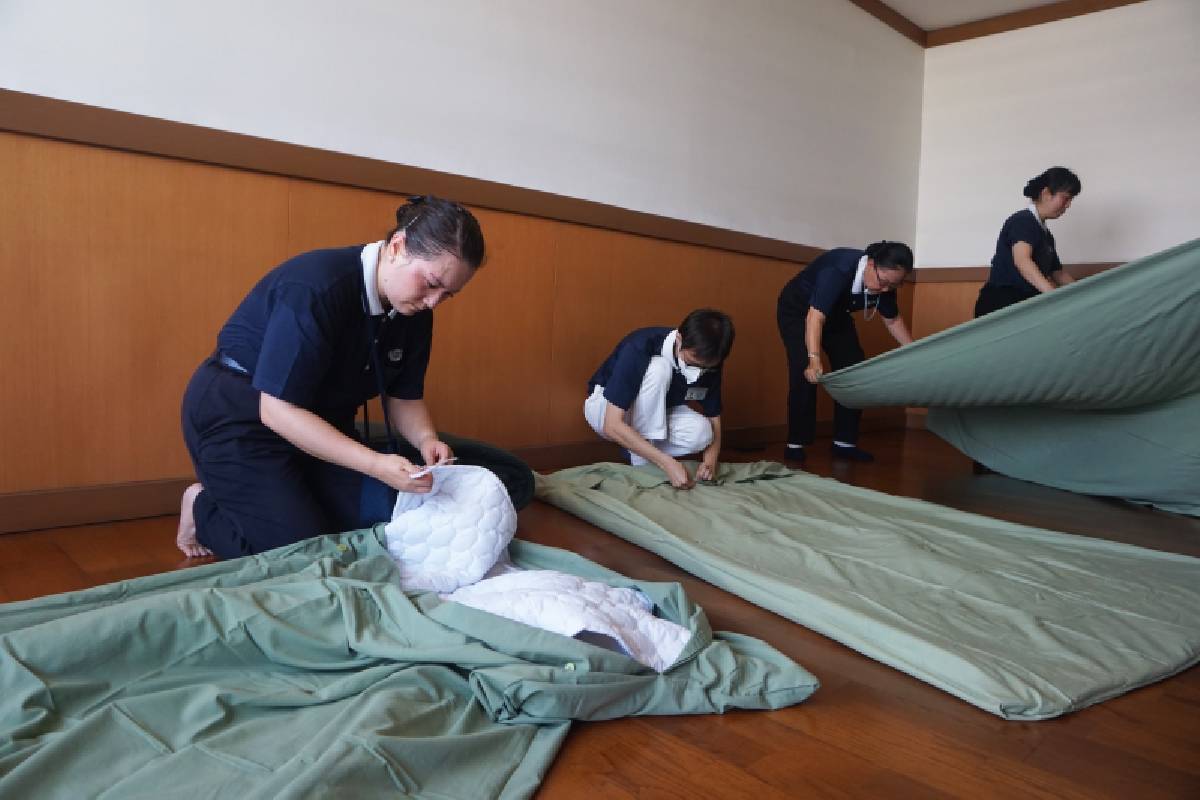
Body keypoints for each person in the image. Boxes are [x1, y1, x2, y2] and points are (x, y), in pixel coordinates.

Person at [176, 195, 485, 559]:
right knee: (306, 557)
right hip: (241, 420)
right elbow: (277, 410)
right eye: (431, 283)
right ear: (398, 247)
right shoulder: (317, 287)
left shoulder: (414, 311)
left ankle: (291, 500)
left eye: (447, 295)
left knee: (393, 517)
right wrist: (375, 465)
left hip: (323, 427)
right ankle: (202, 505)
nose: (433, 302)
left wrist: (425, 440)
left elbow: (403, 395)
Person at [776, 241, 915, 464]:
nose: (886, 290)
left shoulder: (884, 283)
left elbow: (893, 320)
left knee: (853, 366)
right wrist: (814, 359)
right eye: (884, 282)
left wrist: (913, 350)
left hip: (835, 315)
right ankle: (796, 443)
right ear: (871, 264)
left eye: (894, 286)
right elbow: (815, 317)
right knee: (804, 370)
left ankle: (844, 442)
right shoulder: (838, 270)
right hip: (799, 311)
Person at [584, 309, 735, 489]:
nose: (698, 370)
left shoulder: (710, 360)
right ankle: (641, 462)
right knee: (659, 368)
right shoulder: (640, 345)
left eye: (706, 367)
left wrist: (709, 463)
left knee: (702, 433)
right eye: (692, 361)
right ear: (679, 339)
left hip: (659, 413)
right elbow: (611, 424)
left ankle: (641, 451)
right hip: (606, 410)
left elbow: (714, 417)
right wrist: (667, 463)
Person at [975, 166, 1081, 317]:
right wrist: (1052, 294)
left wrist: (1083, 294)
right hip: (1001, 305)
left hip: (1024, 305)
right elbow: (1022, 261)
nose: (1068, 205)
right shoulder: (1022, 221)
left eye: (1071, 200)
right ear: (1046, 194)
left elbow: (1058, 273)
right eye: (1065, 198)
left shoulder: (1046, 235)